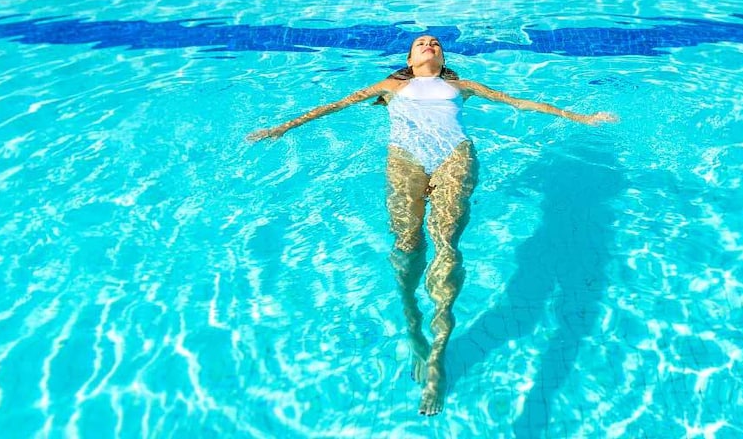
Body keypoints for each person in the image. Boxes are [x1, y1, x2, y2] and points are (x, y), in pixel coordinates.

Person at [247, 35, 617, 414]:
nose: (429, 44)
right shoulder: (392, 86)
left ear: (443, 57)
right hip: (405, 159)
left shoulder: (460, 86)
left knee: (445, 243)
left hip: (454, 157)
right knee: (407, 244)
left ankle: (439, 349)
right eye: (421, 42)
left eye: (436, 42)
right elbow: (335, 106)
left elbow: (520, 102)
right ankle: (413, 328)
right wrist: (281, 128)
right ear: (409, 58)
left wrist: (581, 118)